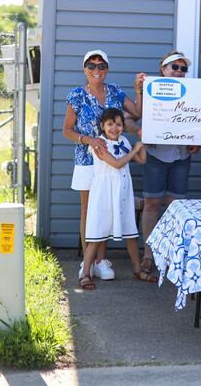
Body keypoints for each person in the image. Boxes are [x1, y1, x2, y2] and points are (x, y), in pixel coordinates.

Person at [62, 49, 142, 282]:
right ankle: (88, 261)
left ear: (107, 69)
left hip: (112, 161)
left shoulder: (115, 91)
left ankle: (100, 261)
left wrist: (138, 89)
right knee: (90, 209)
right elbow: (67, 130)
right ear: (84, 68)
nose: (96, 70)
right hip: (88, 160)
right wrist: (89, 140)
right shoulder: (76, 95)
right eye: (91, 65)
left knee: (107, 208)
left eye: (101, 66)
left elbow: (136, 112)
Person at [132, 51, 200, 274]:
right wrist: (140, 130)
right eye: (174, 67)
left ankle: (171, 252)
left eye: (183, 69)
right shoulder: (150, 90)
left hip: (181, 156)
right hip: (156, 155)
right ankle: (149, 253)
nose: (179, 72)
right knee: (152, 203)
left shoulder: (194, 94)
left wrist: (197, 142)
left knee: (175, 207)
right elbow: (131, 118)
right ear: (163, 69)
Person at [80, 108, 155, 289]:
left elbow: (142, 160)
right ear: (102, 126)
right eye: (110, 124)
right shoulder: (99, 144)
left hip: (122, 191)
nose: (115, 128)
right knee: (97, 234)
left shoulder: (124, 141)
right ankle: (86, 273)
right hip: (104, 192)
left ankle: (138, 270)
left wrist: (141, 144)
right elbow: (116, 164)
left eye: (119, 124)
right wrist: (134, 150)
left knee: (130, 232)